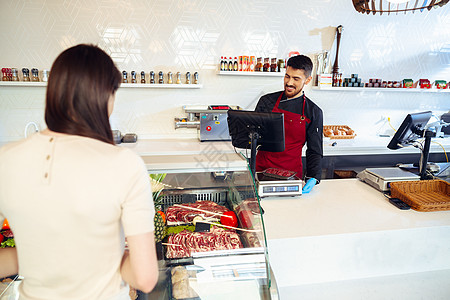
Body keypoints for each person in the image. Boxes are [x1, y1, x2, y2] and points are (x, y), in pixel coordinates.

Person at [0, 44, 158, 298]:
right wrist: (110, 260)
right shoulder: (124, 164)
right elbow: (144, 277)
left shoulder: (5, 159)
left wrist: (34, 256)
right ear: (104, 96)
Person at [255, 54, 323, 193]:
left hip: (291, 176)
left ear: (308, 80)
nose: (289, 82)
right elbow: (253, 136)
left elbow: (314, 150)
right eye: (287, 76)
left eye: (296, 78)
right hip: (260, 171)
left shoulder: (313, 112)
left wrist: (313, 177)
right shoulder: (266, 102)